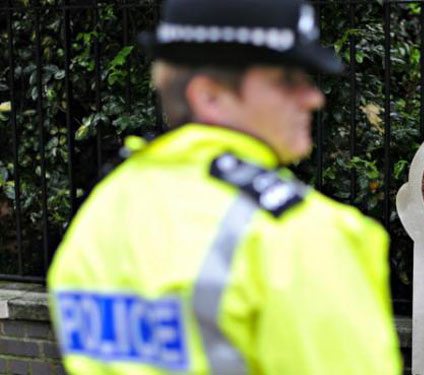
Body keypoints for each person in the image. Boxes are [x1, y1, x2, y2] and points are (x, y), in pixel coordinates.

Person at [47, 0, 402, 374]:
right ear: (210, 96)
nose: (314, 98)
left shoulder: (107, 203)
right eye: (288, 81)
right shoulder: (299, 233)